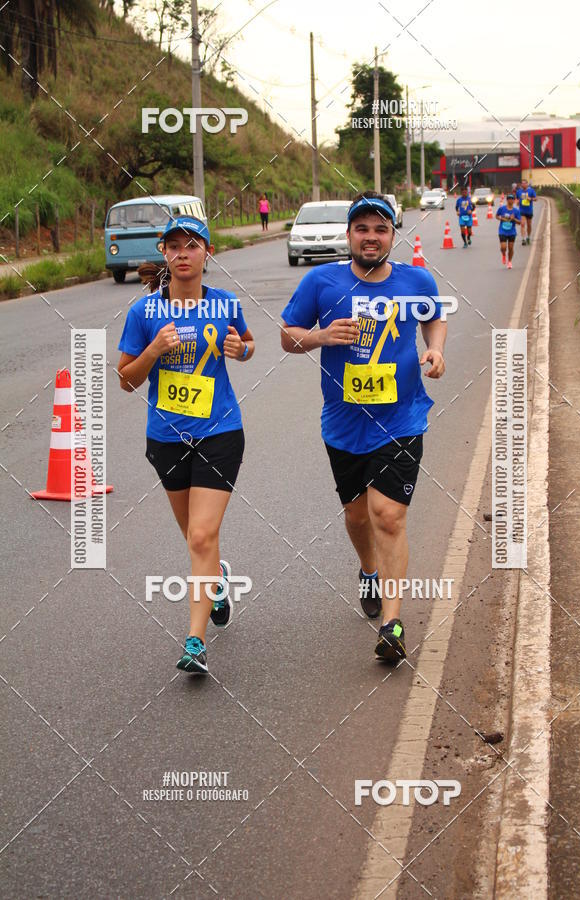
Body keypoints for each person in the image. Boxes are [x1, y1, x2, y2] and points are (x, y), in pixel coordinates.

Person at [280, 191, 447, 663]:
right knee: (356, 516)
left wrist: (435, 351)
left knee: (388, 516)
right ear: (349, 234)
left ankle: (392, 621)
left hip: (402, 418)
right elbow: (287, 335)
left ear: (393, 235)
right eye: (362, 229)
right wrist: (320, 336)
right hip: (343, 423)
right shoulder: (322, 282)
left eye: (380, 229)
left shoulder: (417, 280)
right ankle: (368, 569)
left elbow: (433, 320)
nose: (371, 237)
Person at [117, 216, 255, 675]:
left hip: (220, 432)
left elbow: (248, 343)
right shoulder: (144, 314)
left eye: (191, 245)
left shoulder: (225, 304)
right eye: (173, 246)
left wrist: (242, 350)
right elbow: (125, 381)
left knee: (201, 535)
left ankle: (194, 641)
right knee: (194, 536)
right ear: (164, 254)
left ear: (207, 253)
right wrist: (153, 351)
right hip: (166, 439)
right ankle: (217, 583)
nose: (182, 253)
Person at [495, 194, 521, 269]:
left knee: (510, 248)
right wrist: (501, 219)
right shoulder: (502, 208)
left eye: (512, 199)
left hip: (512, 232)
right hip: (502, 230)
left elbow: (519, 222)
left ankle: (509, 261)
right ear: (507, 200)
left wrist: (513, 219)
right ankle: (503, 254)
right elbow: (496, 216)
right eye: (509, 199)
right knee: (503, 247)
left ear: (514, 200)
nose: (511, 200)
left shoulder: (516, 211)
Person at [516, 178, 537, 245]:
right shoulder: (519, 191)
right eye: (522, 183)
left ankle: (528, 237)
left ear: (527, 184)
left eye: (525, 183)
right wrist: (517, 202)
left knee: (529, 225)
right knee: (522, 224)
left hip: (529, 211)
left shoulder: (531, 190)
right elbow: (517, 199)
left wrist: (530, 198)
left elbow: (536, 199)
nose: (523, 184)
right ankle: (523, 239)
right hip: (522, 210)